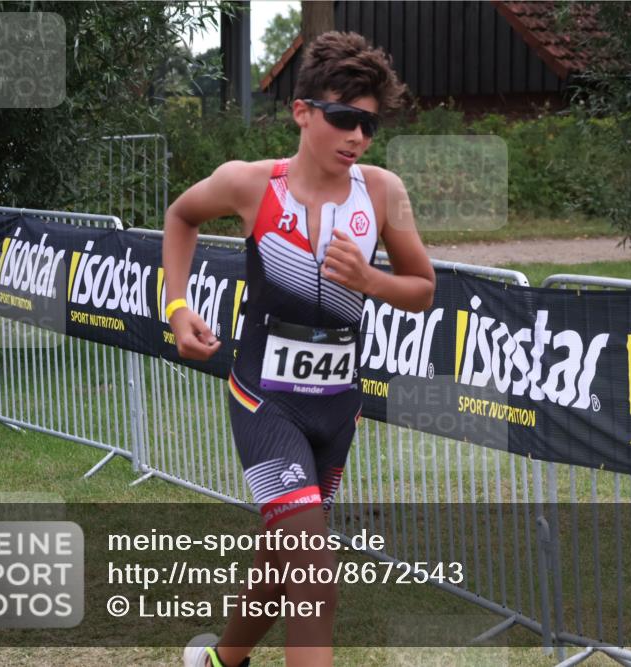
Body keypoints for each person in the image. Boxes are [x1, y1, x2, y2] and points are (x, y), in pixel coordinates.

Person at [162, 31, 435, 667]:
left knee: (283, 559)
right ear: (303, 112)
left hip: (338, 408)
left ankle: (222, 661)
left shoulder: (382, 192)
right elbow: (181, 217)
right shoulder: (251, 185)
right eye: (344, 117)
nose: (358, 137)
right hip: (267, 403)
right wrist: (177, 309)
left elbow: (423, 290)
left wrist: (371, 282)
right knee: (315, 574)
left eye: (369, 124)